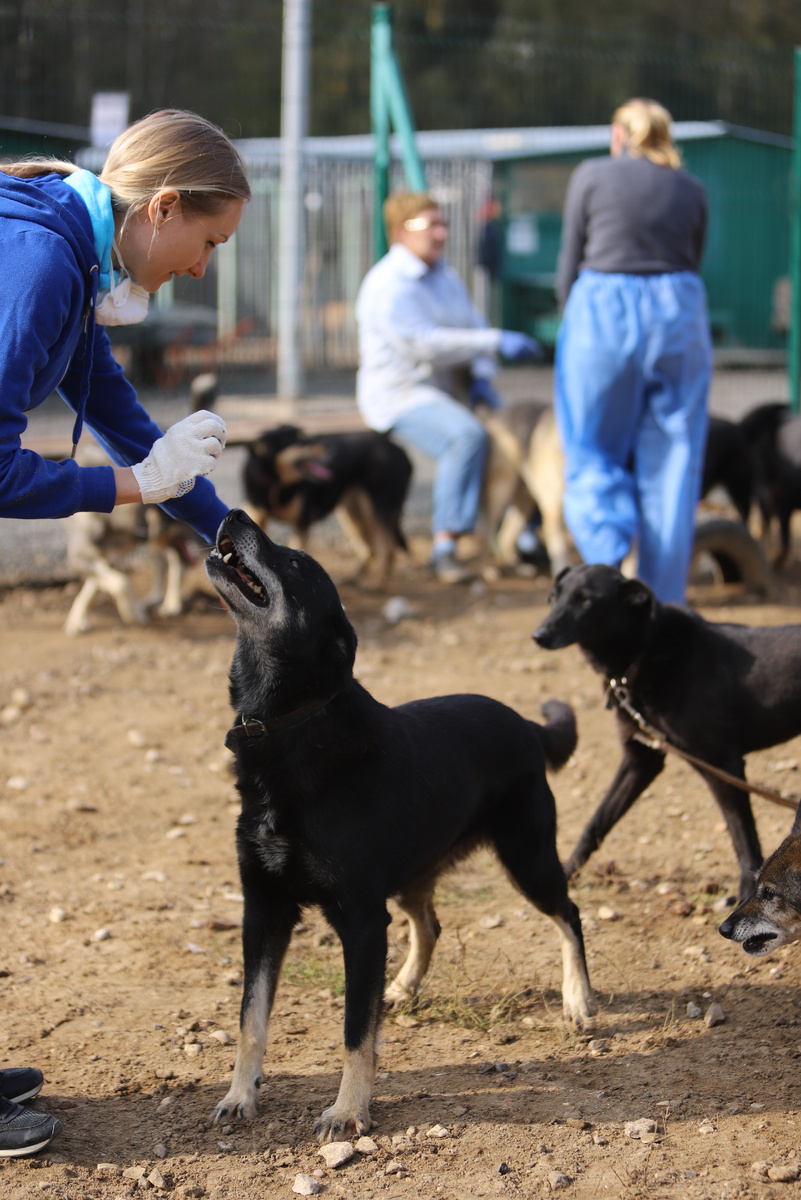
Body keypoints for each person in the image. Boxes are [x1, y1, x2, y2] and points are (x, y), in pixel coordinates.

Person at [0, 107, 250, 1157]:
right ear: (160, 209)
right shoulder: (40, 263)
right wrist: (125, 490)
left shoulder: (67, 251)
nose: (198, 271)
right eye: (207, 245)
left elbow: (126, 420)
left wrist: (240, 540)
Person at [554, 97, 713, 604]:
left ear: (618, 135)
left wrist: (572, 316)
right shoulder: (692, 188)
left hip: (603, 307)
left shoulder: (593, 173)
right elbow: (694, 259)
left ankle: (605, 565)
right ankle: (662, 604)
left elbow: (569, 260)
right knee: (674, 458)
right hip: (678, 309)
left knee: (592, 446)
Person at [355, 190, 541, 583]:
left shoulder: (446, 275)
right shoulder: (389, 284)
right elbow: (425, 342)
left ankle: (523, 535)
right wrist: (493, 342)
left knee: (515, 435)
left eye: (443, 224)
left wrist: (483, 375)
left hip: (450, 389)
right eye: (430, 225)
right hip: (401, 393)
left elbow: (471, 327)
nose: (440, 233)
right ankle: (445, 548)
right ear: (401, 232)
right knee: (466, 437)